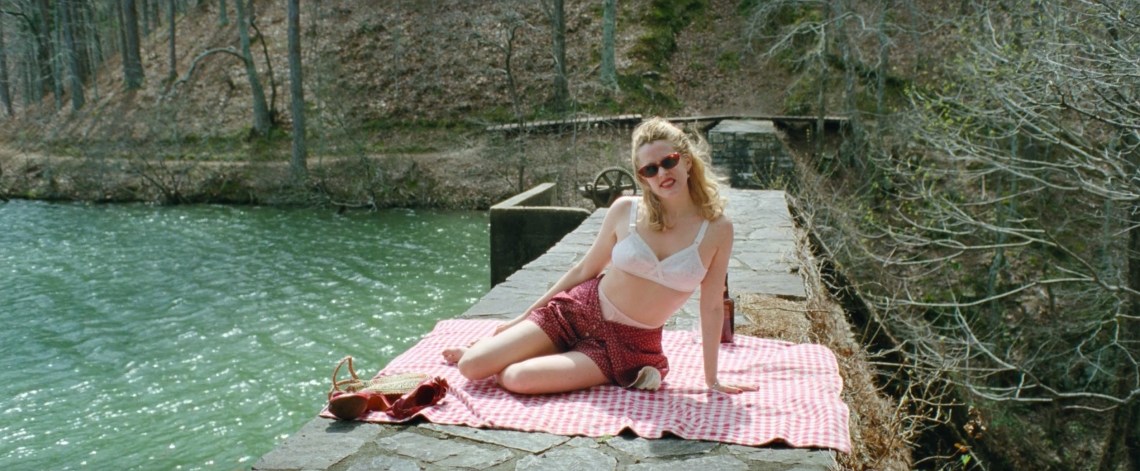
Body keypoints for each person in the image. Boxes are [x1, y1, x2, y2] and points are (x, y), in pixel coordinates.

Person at [443, 117, 753, 395]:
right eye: (650, 169)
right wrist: (520, 319)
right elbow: (584, 270)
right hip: (577, 311)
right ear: (643, 177)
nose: (662, 173)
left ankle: (542, 357)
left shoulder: (717, 229)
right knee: (471, 366)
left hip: (627, 345)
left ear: (686, 161)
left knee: (515, 378)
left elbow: (712, 306)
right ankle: (519, 349)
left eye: (668, 161)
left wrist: (711, 380)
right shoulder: (625, 210)